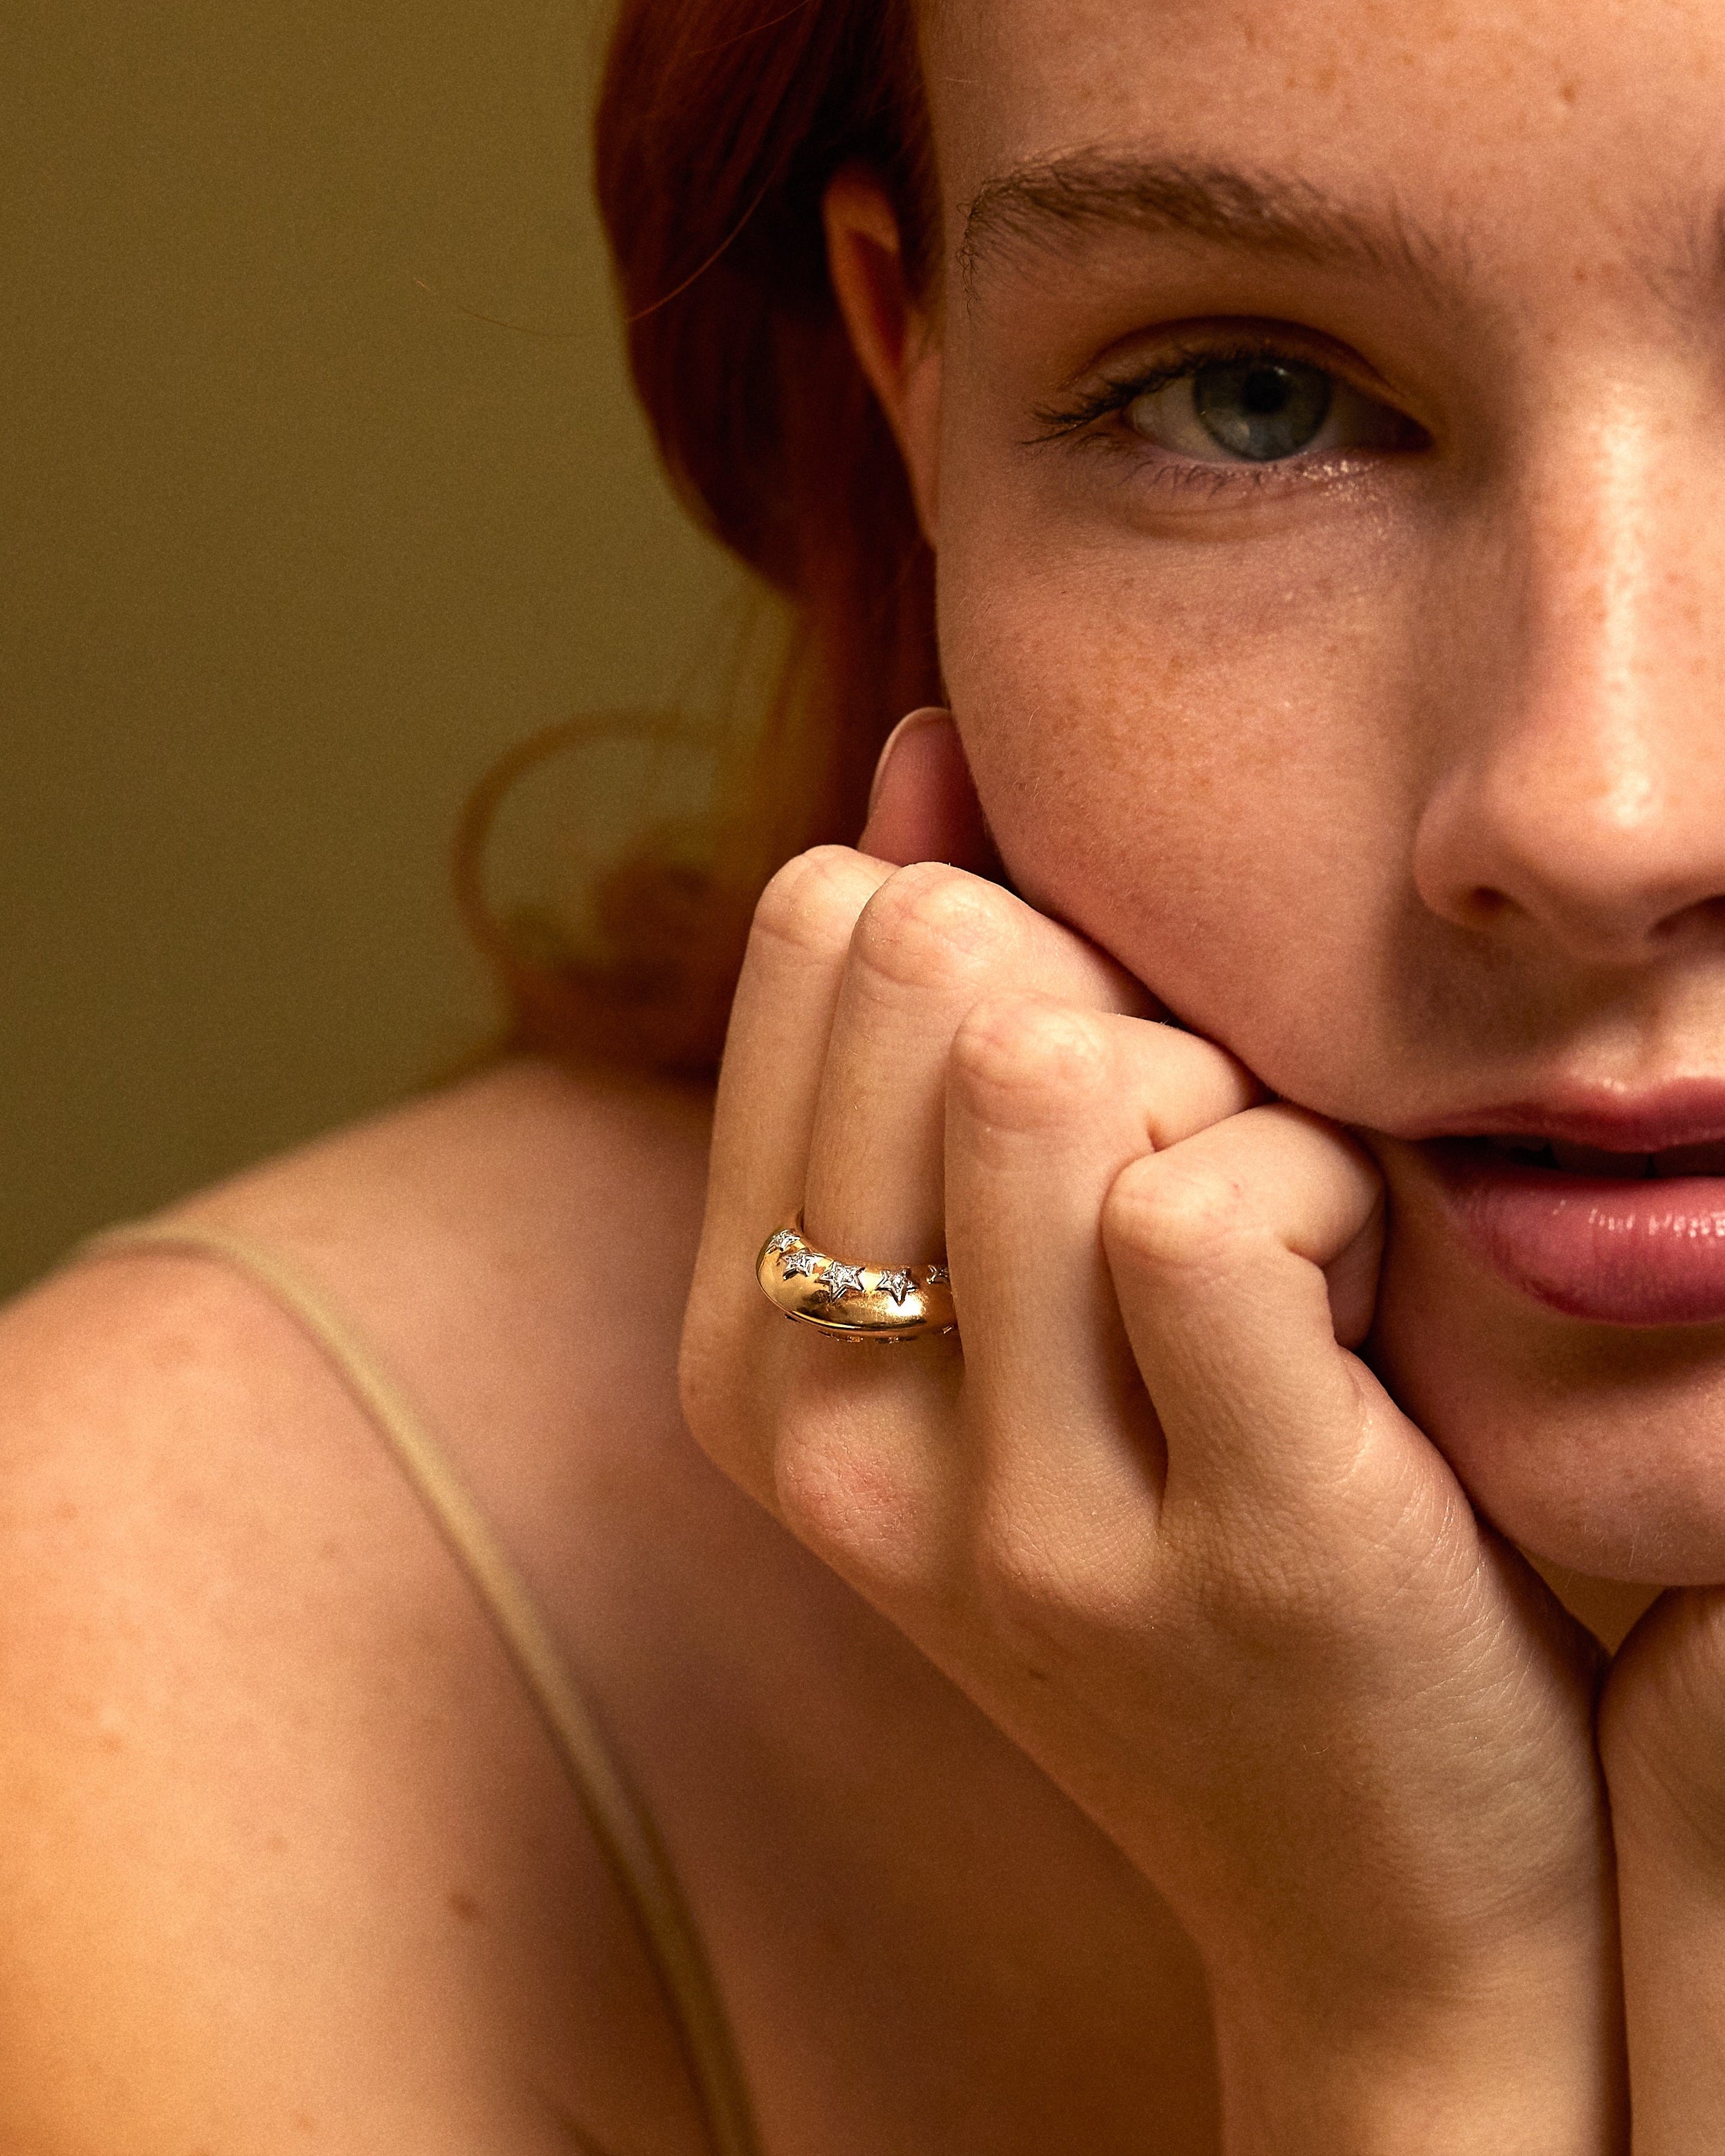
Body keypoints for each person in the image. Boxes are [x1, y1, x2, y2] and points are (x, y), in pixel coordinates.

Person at [10, 0, 1725, 2144]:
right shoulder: (179, 1669)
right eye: (1252, 397)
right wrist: (1414, 2024)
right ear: (919, 382)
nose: (1604, 814)